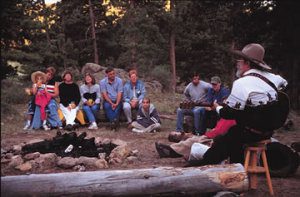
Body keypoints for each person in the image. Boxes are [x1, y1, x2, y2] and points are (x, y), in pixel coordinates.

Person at [188, 43, 288, 166]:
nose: (237, 63)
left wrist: (217, 107)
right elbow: (284, 84)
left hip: (250, 133)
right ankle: (238, 172)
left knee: (224, 141)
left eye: (239, 60)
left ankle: (203, 166)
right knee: (234, 135)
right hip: (268, 132)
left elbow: (229, 114)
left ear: (247, 63)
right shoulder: (274, 78)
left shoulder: (242, 83)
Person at [155, 118, 236, 159]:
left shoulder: (229, 118)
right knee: (193, 140)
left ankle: (170, 151)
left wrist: (207, 135)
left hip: (219, 142)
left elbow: (219, 132)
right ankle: (171, 150)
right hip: (216, 138)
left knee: (193, 141)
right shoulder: (227, 117)